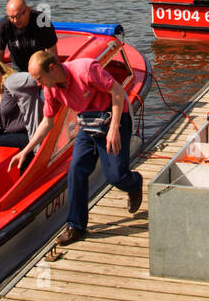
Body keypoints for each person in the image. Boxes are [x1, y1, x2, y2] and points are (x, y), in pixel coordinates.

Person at [11, 49, 142, 244]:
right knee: (76, 170)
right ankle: (76, 226)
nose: (38, 84)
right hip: (88, 124)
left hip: (114, 117)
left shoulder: (86, 69)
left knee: (116, 176)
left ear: (53, 68)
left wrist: (114, 128)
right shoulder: (50, 89)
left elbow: (116, 92)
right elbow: (47, 122)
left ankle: (134, 183)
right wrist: (25, 151)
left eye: (39, 78)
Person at [0, 0, 58, 72]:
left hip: (40, 65)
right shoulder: (5, 25)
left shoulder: (42, 21)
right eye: (11, 17)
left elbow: (51, 52)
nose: (15, 21)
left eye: (18, 16)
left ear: (27, 10)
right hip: (17, 66)